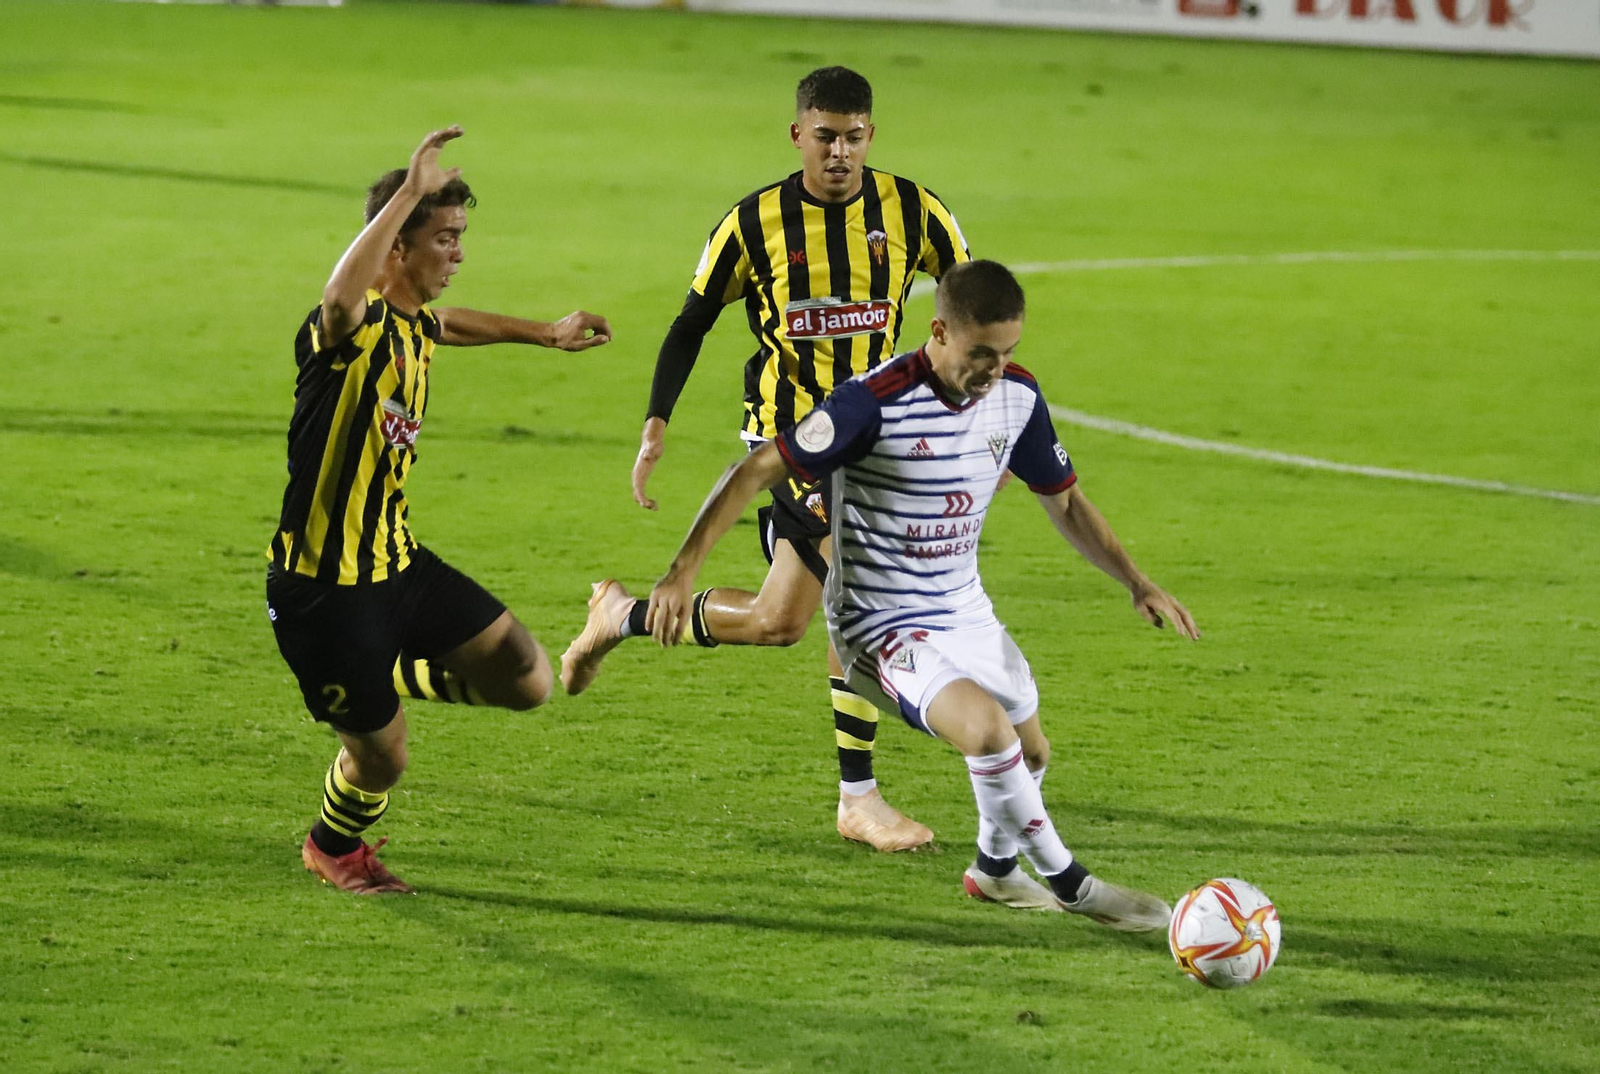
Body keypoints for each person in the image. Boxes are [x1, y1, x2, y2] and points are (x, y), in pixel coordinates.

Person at [644, 260, 1197, 926]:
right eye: (981, 353)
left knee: (1033, 754)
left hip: (964, 611)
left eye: (1009, 351)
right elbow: (755, 469)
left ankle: (993, 873)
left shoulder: (1017, 397)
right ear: (939, 332)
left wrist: (1137, 582)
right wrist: (681, 569)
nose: (995, 367)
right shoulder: (870, 402)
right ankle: (1075, 886)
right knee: (989, 734)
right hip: (877, 626)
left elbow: (1067, 502)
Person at [561, 67, 970, 852]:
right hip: (792, 442)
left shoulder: (914, 210)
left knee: (782, 622)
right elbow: (690, 324)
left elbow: (966, 297)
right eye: (825, 136)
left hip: (879, 432)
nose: (840, 152)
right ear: (798, 135)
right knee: (857, 594)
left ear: (870, 137)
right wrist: (656, 421)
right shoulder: (754, 224)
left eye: (853, 137)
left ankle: (624, 617)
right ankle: (860, 799)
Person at [266, 127, 612, 894]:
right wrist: (406, 197)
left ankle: (382, 676)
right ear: (395, 246)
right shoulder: (346, 334)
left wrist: (543, 334)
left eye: (460, 236)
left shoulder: (416, 325)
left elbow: (449, 325)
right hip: (325, 589)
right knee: (384, 755)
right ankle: (332, 845)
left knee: (526, 679)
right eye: (443, 238)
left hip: (396, 562)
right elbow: (338, 297)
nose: (458, 252)